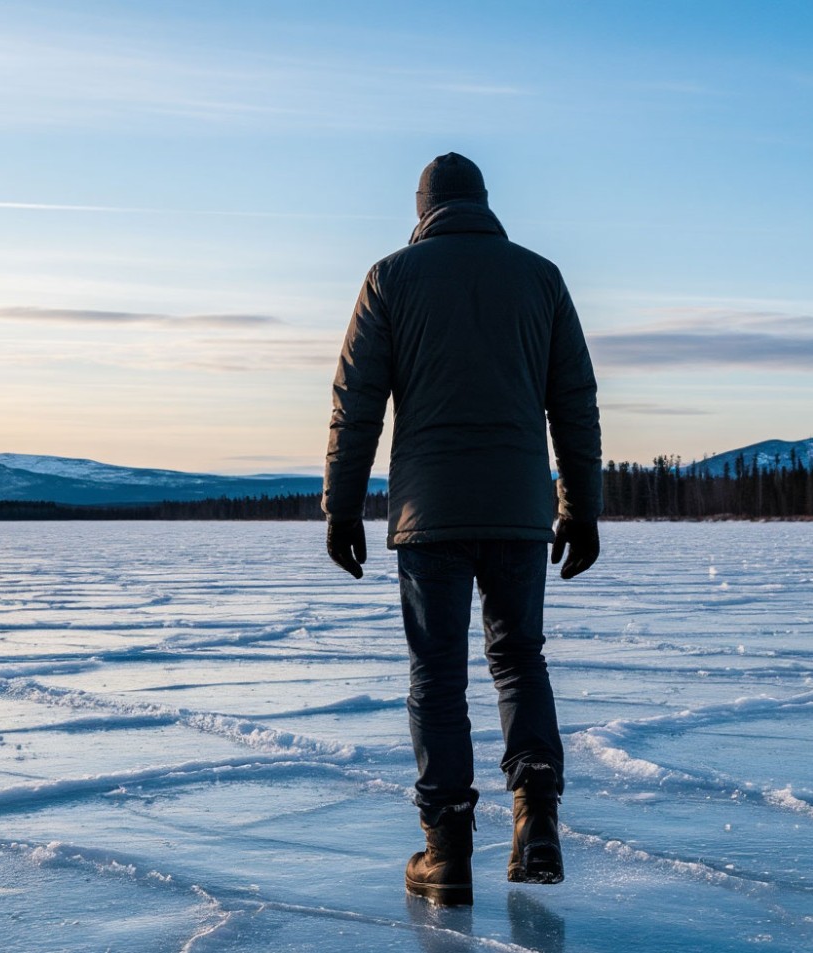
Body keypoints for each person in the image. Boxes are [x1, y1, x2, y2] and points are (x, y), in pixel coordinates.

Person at [322, 153, 602, 906]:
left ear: (422, 209)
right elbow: (574, 400)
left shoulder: (391, 277)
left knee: (437, 677)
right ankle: (535, 819)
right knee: (519, 660)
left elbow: (358, 403)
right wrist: (580, 506)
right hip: (518, 513)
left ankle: (446, 853)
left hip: (429, 517)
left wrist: (341, 507)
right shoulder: (540, 276)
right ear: (482, 201)